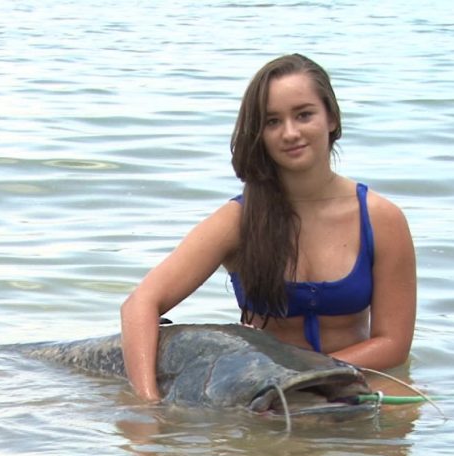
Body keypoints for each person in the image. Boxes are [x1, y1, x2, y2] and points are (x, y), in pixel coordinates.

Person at [120, 54, 416, 402]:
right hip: (265, 400)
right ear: (259, 134)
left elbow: (393, 343)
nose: (290, 133)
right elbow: (141, 304)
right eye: (273, 121)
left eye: (304, 115)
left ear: (331, 118)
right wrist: (148, 404)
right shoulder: (239, 220)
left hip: (354, 387)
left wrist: (311, 376)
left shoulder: (381, 219)